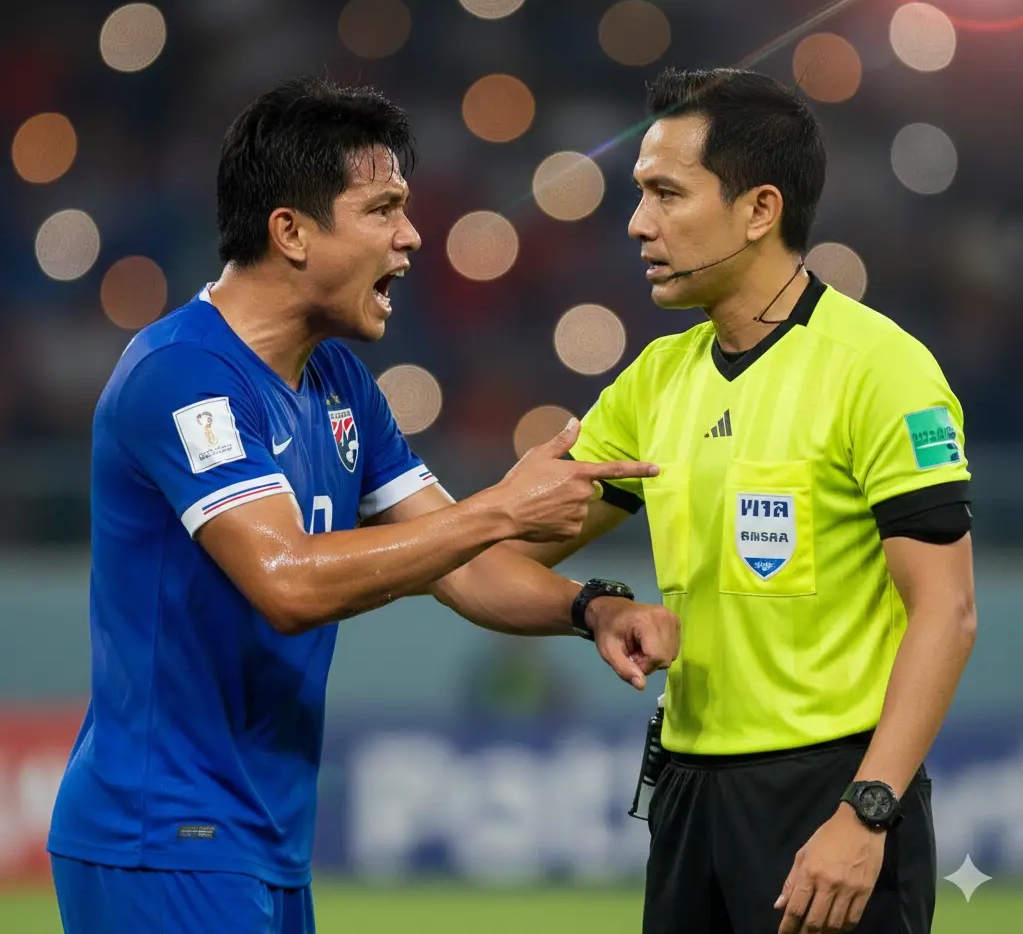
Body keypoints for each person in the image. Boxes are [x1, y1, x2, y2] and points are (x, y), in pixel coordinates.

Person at [46, 77, 680, 934]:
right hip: (163, 836)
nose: (413, 237)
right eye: (384, 209)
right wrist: (498, 507)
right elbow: (288, 585)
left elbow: (460, 571)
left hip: (264, 838)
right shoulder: (182, 376)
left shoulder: (339, 382)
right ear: (291, 232)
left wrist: (588, 607)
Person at [510, 68, 977, 934]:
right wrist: (591, 605)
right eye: (639, 194)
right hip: (688, 794)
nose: (637, 222)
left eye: (665, 193)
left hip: (830, 794)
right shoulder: (653, 382)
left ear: (760, 210)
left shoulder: (881, 370)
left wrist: (868, 809)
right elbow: (498, 556)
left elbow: (946, 611)